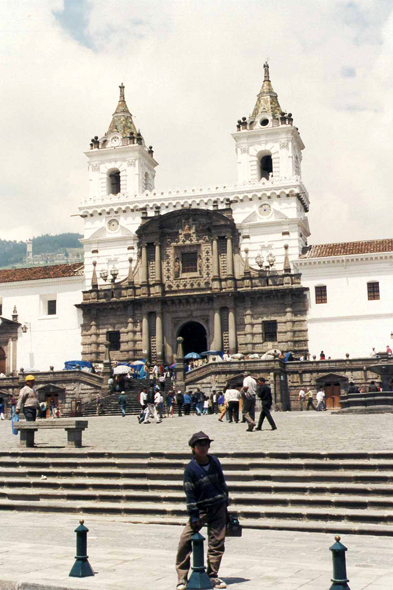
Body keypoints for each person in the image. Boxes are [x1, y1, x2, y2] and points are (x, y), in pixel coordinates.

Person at [175, 431, 228, 590]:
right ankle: (182, 577)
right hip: (200, 510)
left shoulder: (215, 462)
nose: (204, 448)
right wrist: (193, 515)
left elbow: (222, 483)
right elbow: (189, 493)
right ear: (193, 448)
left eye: (206, 444)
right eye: (200, 445)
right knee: (185, 541)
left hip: (218, 507)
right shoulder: (190, 469)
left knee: (217, 543)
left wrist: (226, 505)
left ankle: (213, 575)